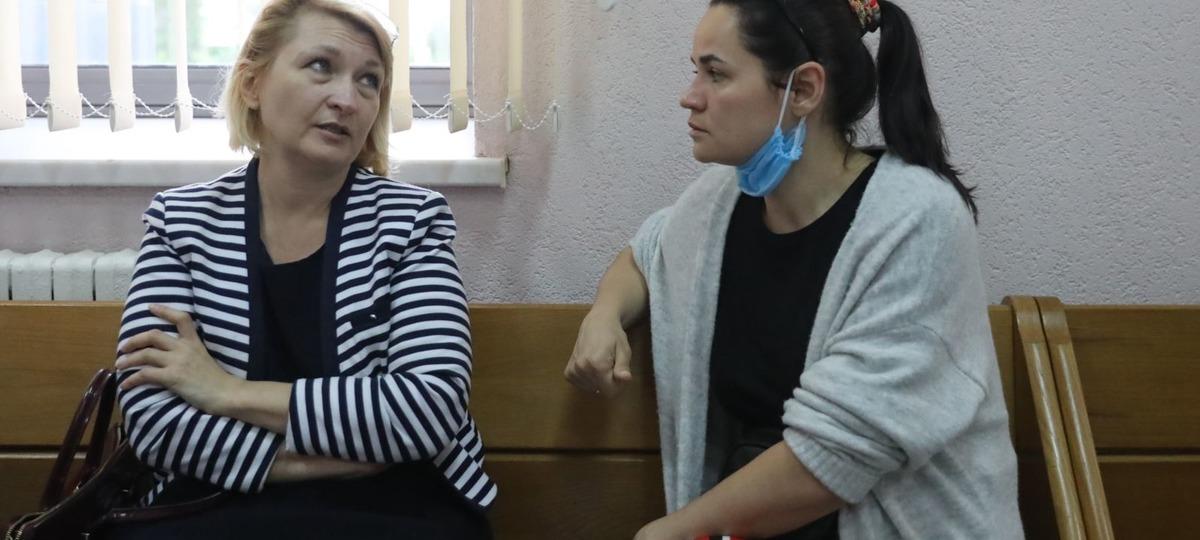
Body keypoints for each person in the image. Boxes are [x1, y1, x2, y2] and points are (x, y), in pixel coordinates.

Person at [564, 0, 1021, 538]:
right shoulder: (720, 205)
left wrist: (670, 531)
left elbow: (833, 455)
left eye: (716, 74)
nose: (690, 96)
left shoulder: (918, 220)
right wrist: (605, 314)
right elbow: (647, 253)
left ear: (802, 89)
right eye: (695, 71)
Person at [106, 1, 493, 538]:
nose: (347, 99)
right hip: (215, 499)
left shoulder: (414, 221)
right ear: (252, 84)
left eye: (369, 81)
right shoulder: (181, 221)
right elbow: (155, 421)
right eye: (320, 66)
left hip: (395, 505)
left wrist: (225, 392)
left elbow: (429, 408)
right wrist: (319, 463)